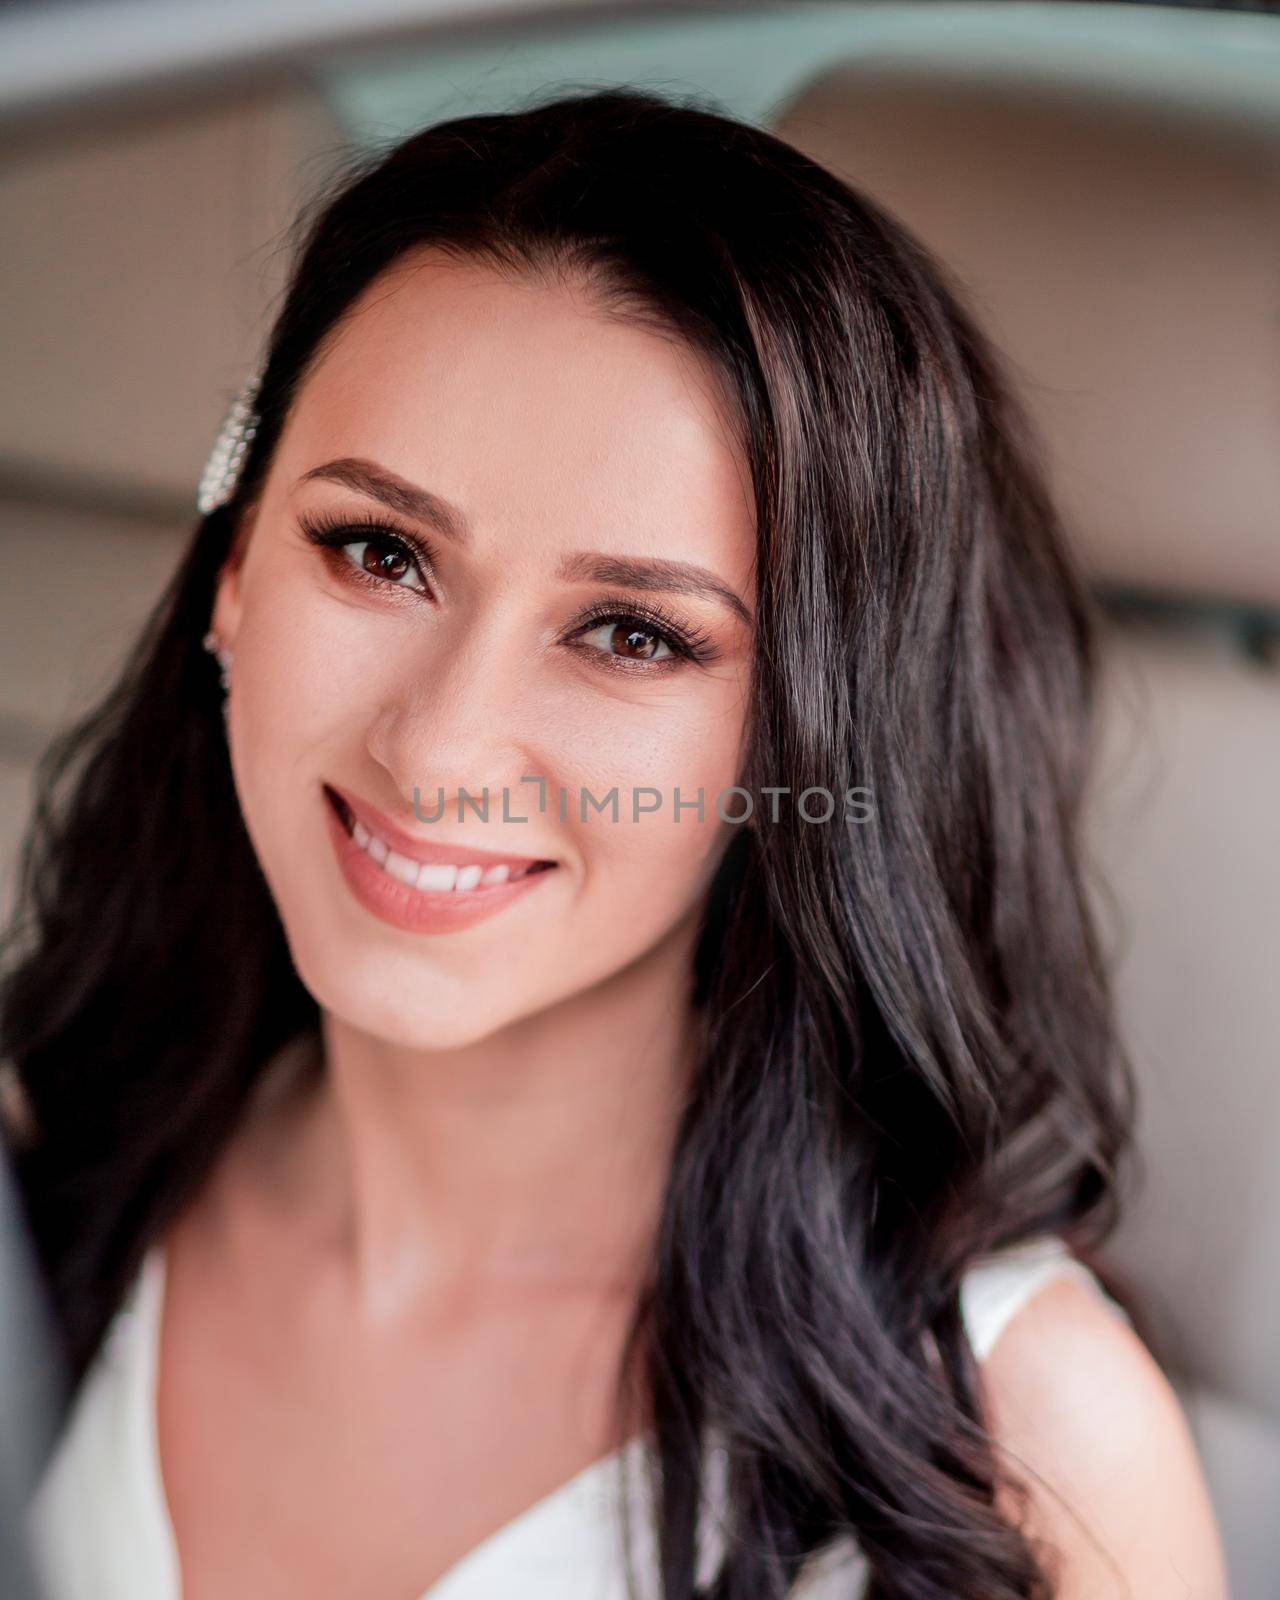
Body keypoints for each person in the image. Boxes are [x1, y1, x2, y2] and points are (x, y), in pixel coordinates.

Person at [1, 86, 1226, 1600]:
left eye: (635, 635)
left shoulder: (1026, 1452)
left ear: (804, 738)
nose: (439, 747)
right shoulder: (47, 1187)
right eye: (378, 551)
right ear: (238, 561)